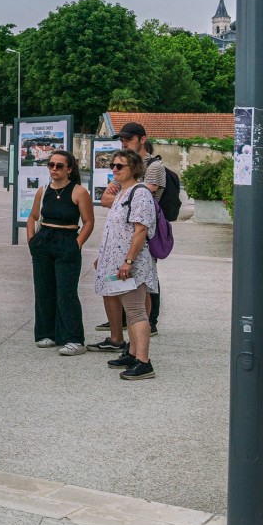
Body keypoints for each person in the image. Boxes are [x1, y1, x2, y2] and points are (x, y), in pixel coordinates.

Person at [93, 148, 158, 380]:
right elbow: (117, 230)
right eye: (113, 165)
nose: (114, 169)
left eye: (120, 166)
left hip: (132, 264)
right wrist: (105, 257)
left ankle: (143, 362)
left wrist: (128, 261)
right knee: (130, 311)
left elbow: (140, 230)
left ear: (134, 169)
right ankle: (132, 353)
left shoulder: (139, 193)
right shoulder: (123, 193)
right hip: (118, 263)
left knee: (135, 311)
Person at [26, 149, 94, 356]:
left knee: (66, 291)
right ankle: (47, 333)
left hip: (67, 240)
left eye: (59, 166)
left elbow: (89, 222)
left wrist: (77, 244)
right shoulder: (43, 190)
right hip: (44, 240)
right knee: (44, 288)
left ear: (69, 169)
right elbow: (33, 216)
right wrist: (31, 240)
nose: (54, 169)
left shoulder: (79, 192)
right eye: (51, 165)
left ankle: (74, 339)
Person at [99, 122, 164, 334]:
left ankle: (145, 330)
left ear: (142, 139)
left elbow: (142, 205)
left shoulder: (154, 167)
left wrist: (128, 260)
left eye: (129, 139)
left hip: (140, 242)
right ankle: (121, 333)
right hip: (121, 243)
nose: (124, 142)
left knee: (140, 295)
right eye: (122, 140)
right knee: (116, 288)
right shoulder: (124, 175)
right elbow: (106, 199)